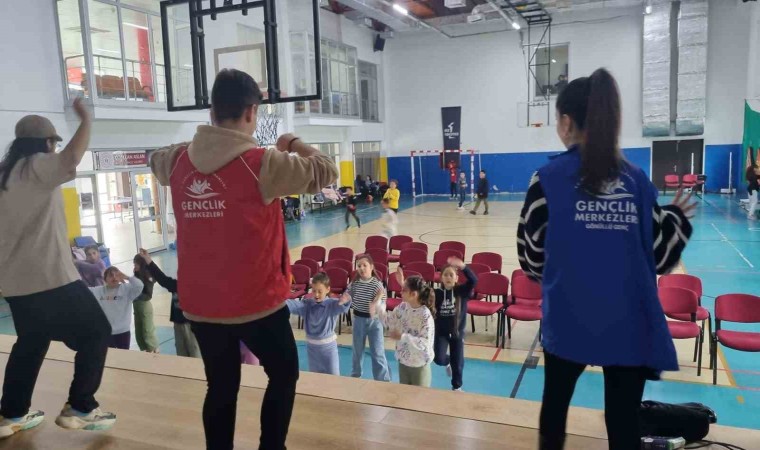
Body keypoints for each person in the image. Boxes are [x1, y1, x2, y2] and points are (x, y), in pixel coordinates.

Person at [149, 68, 338, 450]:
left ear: (212, 111)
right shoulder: (262, 163)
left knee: (220, 385)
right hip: (256, 304)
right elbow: (327, 170)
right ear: (252, 112)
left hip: (201, 306)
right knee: (283, 373)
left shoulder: (177, 161)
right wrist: (294, 142)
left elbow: (155, 158)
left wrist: (202, 141)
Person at [516, 68, 696, 450]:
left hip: (569, 317)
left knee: (554, 411)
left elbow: (531, 258)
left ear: (567, 123)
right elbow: (661, 258)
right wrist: (676, 220)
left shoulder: (545, 180)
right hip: (629, 323)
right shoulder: (637, 181)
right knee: (623, 421)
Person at [0, 98, 116, 438]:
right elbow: (72, 157)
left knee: (32, 342)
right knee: (97, 331)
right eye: (53, 142)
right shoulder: (37, 165)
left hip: (15, 283)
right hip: (50, 277)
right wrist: (86, 119)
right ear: (47, 143)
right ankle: (81, 406)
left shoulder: (4, 173)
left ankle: (11, 413)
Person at [139, 249, 200, 358]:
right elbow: (161, 278)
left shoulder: (197, 289)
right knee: (181, 353)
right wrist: (148, 259)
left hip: (192, 326)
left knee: (195, 352)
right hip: (178, 325)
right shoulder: (175, 285)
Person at [286, 273, 351, 375]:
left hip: (329, 350)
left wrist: (346, 300)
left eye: (320, 291)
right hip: (312, 350)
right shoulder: (307, 304)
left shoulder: (332, 304)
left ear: (327, 289)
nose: (316, 294)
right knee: (315, 379)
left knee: (334, 378)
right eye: (314, 290)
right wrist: (278, 301)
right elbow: (293, 305)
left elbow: (342, 306)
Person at [382, 268, 435, 387]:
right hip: (403, 362)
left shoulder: (425, 316)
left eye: (404, 290)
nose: (400, 292)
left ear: (414, 294)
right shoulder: (402, 307)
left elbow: (425, 344)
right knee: (403, 396)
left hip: (419, 365)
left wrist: (403, 337)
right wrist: (378, 308)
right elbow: (389, 321)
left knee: (419, 397)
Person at [433, 258, 477, 391]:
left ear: (456, 278)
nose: (448, 277)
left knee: (457, 362)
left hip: (457, 333)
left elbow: (474, 280)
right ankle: (447, 362)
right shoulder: (436, 293)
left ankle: (457, 386)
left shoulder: (462, 292)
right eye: (445, 275)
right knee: (438, 358)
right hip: (441, 333)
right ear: (441, 278)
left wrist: (464, 267)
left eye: (451, 275)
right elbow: (421, 295)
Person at [349, 255, 391, 382]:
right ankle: (355, 376)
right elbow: (347, 296)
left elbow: (382, 303)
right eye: (359, 266)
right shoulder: (354, 284)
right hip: (358, 320)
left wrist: (376, 304)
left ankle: (382, 380)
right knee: (357, 351)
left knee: (378, 352)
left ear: (371, 267)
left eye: (364, 265)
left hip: (375, 322)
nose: (361, 268)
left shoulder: (377, 285)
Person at [89, 267, 145, 350]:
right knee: (109, 356)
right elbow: (82, 290)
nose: (114, 277)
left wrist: (127, 277)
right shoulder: (98, 291)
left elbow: (140, 285)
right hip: (106, 332)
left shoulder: (127, 289)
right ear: (105, 279)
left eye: (117, 275)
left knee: (123, 355)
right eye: (111, 275)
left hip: (123, 331)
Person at [133, 254, 159, 353]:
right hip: (136, 304)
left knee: (147, 329)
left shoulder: (147, 275)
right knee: (139, 330)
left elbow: (149, 287)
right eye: (134, 264)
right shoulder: (137, 274)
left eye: (136, 264)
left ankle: (154, 350)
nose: (135, 266)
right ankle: (144, 349)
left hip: (144, 303)